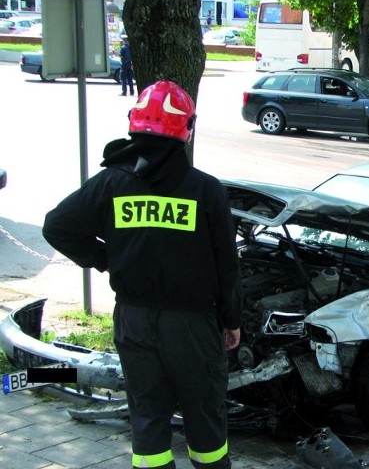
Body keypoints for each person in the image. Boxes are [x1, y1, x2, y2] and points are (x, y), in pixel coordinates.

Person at [42, 80, 242, 469]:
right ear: (186, 129)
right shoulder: (205, 190)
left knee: (148, 419)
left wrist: (107, 258)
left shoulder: (112, 183)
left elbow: (57, 227)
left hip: (133, 320)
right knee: (205, 421)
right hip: (192, 326)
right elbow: (226, 265)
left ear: (135, 125)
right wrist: (231, 320)